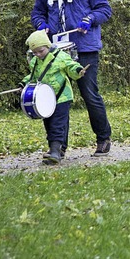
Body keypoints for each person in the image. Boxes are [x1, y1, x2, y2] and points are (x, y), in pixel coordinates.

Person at [31, 0, 113, 156]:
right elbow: (37, 13)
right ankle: (58, 147)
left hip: (84, 49)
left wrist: (90, 19)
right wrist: (42, 26)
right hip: (55, 53)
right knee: (55, 98)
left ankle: (103, 138)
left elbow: (104, 9)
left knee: (89, 94)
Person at [21, 30, 89, 165]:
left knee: (58, 124)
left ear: (47, 46)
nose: (38, 54)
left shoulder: (61, 57)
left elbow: (71, 66)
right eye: (35, 52)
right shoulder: (35, 61)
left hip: (62, 96)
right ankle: (58, 148)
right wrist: (23, 83)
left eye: (40, 51)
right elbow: (34, 77)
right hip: (45, 99)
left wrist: (78, 71)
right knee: (49, 123)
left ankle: (55, 152)